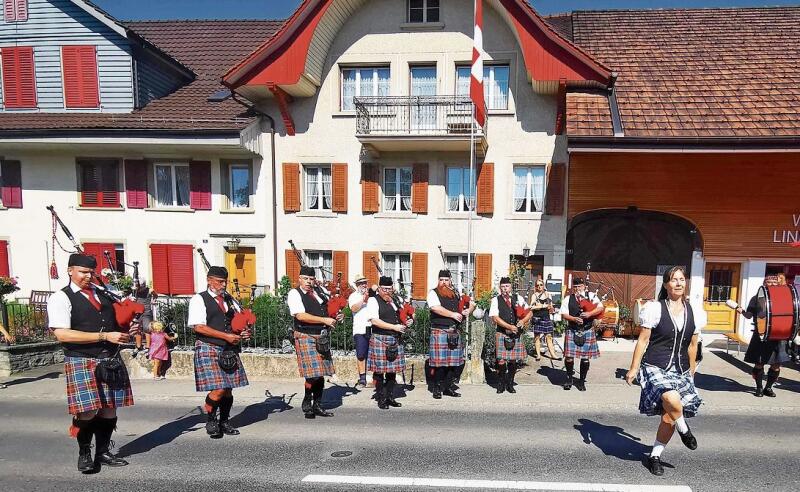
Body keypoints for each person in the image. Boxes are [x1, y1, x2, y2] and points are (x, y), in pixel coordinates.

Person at [47, 253, 133, 472]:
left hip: (109, 359)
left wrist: (126, 331)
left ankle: (102, 452)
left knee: (109, 410)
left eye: (91, 272)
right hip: (81, 360)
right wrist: (104, 336)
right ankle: (84, 451)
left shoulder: (105, 295)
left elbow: (117, 325)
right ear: (70, 270)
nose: (88, 276)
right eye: (83, 272)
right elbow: (62, 334)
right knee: (87, 412)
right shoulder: (61, 297)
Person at [626, 266, 705, 476]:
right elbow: (643, 340)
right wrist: (633, 368)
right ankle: (685, 429)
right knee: (671, 398)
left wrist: (692, 371)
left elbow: (692, 345)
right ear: (666, 284)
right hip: (655, 366)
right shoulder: (655, 308)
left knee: (669, 417)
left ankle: (654, 456)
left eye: (681, 279)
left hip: (680, 369)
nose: (678, 283)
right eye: (673, 280)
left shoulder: (694, 311)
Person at [188, 266, 250, 439]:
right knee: (219, 390)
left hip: (228, 349)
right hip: (209, 346)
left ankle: (224, 421)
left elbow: (236, 323)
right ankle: (210, 419)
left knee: (228, 390)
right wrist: (226, 336)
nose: (223, 285)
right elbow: (198, 326)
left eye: (225, 281)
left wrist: (241, 333)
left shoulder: (229, 300)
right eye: (220, 281)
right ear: (209, 280)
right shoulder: (199, 299)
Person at [287, 265, 341, 418]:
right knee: (313, 374)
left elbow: (328, 310)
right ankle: (307, 401)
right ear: (299, 279)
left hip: (321, 336)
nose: (309, 282)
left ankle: (317, 405)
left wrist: (335, 316)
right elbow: (300, 316)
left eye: (311, 279)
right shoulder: (294, 293)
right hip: (305, 335)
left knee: (321, 373)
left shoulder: (319, 293)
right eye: (305, 278)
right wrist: (324, 319)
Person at [735, 275, 790, 398]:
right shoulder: (756, 298)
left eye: (773, 283)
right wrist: (741, 311)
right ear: (764, 284)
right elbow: (749, 315)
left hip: (779, 335)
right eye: (768, 282)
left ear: (778, 285)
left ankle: (768, 388)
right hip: (761, 334)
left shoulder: (784, 299)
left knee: (776, 365)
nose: (770, 285)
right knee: (759, 363)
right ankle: (759, 388)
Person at [426, 270, 474, 399]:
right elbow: (435, 308)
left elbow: (471, 304)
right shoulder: (433, 293)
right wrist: (452, 314)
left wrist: (468, 310)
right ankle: (437, 387)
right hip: (440, 330)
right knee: (439, 364)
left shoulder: (456, 293)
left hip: (454, 331)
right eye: (441, 280)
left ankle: (447, 387)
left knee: (453, 364)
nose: (444, 282)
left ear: (450, 280)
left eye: (446, 280)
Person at [366, 276, 412, 409]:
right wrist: (394, 327)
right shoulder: (373, 301)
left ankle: (390, 397)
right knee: (379, 372)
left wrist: (408, 321)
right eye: (384, 289)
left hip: (395, 339)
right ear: (379, 288)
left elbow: (403, 315)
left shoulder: (395, 301)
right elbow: (374, 320)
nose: (387, 291)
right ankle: (381, 398)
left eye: (389, 288)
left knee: (392, 371)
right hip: (380, 339)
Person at [489, 277, 531, 394]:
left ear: (510, 287)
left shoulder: (519, 298)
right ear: (500, 288)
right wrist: (509, 326)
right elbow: (495, 317)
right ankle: (501, 383)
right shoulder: (495, 300)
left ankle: (510, 383)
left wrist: (523, 321)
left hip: (516, 335)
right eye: (502, 287)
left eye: (507, 286)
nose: (504, 289)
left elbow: (529, 312)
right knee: (501, 360)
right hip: (502, 333)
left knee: (513, 360)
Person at [559, 277, 603, 391]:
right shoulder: (568, 298)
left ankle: (582, 381)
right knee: (569, 358)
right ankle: (569, 379)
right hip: (572, 329)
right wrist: (573, 318)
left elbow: (600, 308)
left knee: (585, 359)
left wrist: (590, 313)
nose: (577, 289)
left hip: (587, 330)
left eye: (579, 286)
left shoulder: (591, 296)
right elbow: (564, 314)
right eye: (575, 287)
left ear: (584, 286)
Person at [348, 274, 373, 387]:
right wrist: (363, 300)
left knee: (372, 354)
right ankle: (362, 378)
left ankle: (372, 378)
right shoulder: (353, 296)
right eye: (361, 283)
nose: (364, 285)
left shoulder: (371, 296)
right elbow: (353, 308)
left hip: (371, 327)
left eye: (365, 282)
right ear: (357, 285)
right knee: (361, 354)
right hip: (359, 328)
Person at [529, 279, 559, 361]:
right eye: (537, 285)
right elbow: (531, 307)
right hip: (537, 318)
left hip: (546, 317)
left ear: (543, 286)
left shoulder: (547, 294)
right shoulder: (534, 295)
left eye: (541, 285)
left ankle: (553, 354)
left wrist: (540, 305)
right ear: (536, 286)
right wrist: (542, 306)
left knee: (549, 336)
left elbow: (550, 306)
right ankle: (538, 355)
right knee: (537, 337)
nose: (539, 287)